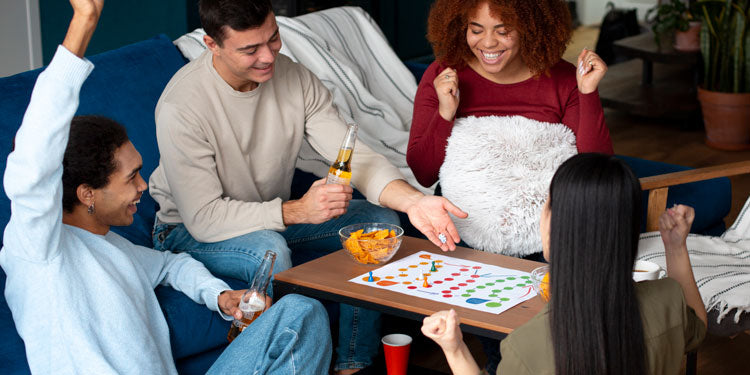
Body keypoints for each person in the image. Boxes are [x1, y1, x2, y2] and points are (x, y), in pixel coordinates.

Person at [0, 2, 331, 374]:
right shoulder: (37, 251)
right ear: (86, 193)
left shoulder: (115, 248)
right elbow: (34, 156)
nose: (145, 188)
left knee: (301, 313)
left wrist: (218, 295)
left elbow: (172, 266)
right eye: (131, 178)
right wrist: (83, 22)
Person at [148, 1, 467, 373]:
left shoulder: (294, 77)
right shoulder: (181, 106)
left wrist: (414, 202)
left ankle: (352, 363)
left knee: (376, 222)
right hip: (187, 229)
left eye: (274, 39)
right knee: (268, 249)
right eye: (250, 49)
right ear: (211, 44)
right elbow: (204, 218)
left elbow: (354, 158)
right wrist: (297, 210)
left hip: (267, 212)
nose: (268, 57)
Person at [421, 153, 707, 375]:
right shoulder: (668, 300)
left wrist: (455, 348)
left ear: (555, 229)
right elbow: (697, 328)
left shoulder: (526, 347)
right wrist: (675, 247)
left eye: (546, 205)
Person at [407, 0, 614, 189]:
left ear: (530, 28)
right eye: (476, 30)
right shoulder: (442, 75)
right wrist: (445, 113)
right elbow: (424, 175)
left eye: (503, 31)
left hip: (544, 216)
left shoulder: (565, 79)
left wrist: (587, 92)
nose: (488, 43)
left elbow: (597, 174)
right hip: (463, 218)